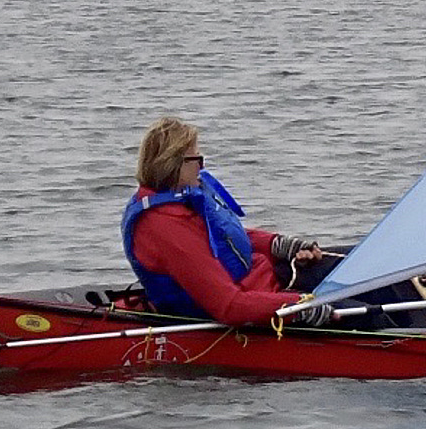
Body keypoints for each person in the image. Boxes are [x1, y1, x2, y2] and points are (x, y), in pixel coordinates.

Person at [121, 116, 333, 327]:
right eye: (196, 159)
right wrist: (300, 307)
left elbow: (222, 237)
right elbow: (229, 306)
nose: (201, 168)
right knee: (363, 313)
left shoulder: (181, 201)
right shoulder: (165, 229)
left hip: (260, 278)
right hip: (252, 299)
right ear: (174, 164)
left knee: (349, 267)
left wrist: (279, 245)